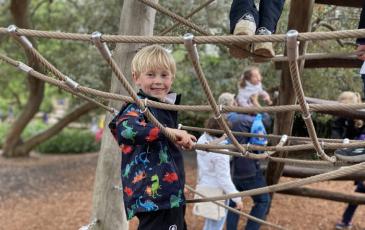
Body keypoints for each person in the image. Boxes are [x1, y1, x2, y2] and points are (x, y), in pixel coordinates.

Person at [108, 45, 196, 230]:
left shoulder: (164, 108)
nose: (158, 81)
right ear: (136, 78)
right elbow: (124, 129)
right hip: (154, 197)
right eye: (151, 75)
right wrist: (169, 132)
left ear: (172, 77)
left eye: (164, 75)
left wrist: (178, 183)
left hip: (169, 194)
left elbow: (165, 151)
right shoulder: (139, 106)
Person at [217, 93, 271, 230]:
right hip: (248, 170)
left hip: (231, 170)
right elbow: (266, 120)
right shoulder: (241, 119)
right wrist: (256, 103)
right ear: (233, 103)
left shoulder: (218, 120)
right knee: (263, 200)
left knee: (234, 202)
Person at [194, 117, 243, 230]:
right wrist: (237, 198)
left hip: (204, 186)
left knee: (209, 225)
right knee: (215, 226)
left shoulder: (202, 139)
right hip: (217, 191)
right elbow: (223, 178)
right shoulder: (220, 151)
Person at [331, 92, 365, 229]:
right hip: (353, 155)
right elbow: (335, 132)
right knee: (360, 191)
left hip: (360, 153)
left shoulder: (361, 117)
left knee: (361, 189)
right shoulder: (341, 118)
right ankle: (346, 221)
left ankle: (346, 221)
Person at [333, 91, 365, 162]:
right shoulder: (341, 118)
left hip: (359, 145)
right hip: (347, 144)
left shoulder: (361, 116)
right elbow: (336, 130)